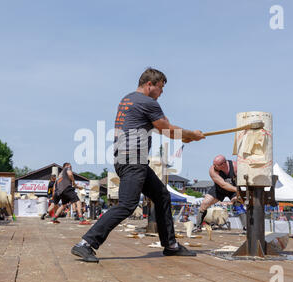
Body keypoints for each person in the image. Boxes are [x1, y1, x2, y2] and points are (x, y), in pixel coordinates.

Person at [71, 68, 206, 262]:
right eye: (160, 87)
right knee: (127, 205)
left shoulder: (128, 99)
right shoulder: (147, 102)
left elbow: (162, 129)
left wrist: (187, 137)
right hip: (133, 159)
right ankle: (85, 244)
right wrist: (192, 135)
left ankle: (171, 245)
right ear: (150, 84)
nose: (162, 92)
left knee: (162, 196)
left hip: (128, 158)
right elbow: (166, 129)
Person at [195, 155, 237, 232]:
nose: (213, 166)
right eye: (213, 164)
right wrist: (237, 189)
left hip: (233, 189)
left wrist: (239, 192)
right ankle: (198, 226)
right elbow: (223, 185)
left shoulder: (235, 167)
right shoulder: (212, 170)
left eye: (216, 165)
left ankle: (245, 227)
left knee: (238, 202)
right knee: (205, 203)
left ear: (223, 164)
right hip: (219, 189)